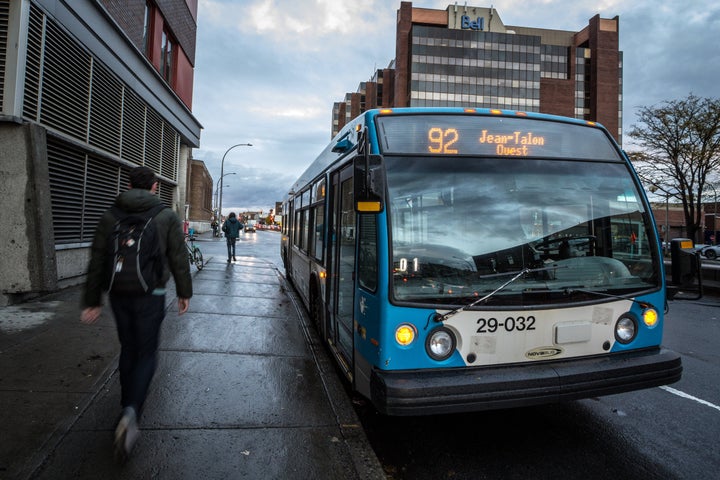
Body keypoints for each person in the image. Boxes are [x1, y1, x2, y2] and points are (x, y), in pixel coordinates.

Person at [79, 166, 192, 463]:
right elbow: (178, 257)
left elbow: (97, 259)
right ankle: (131, 411)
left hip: (118, 294)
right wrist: (184, 292)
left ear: (129, 185)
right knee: (146, 353)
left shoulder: (110, 215)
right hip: (151, 294)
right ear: (155, 187)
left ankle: (125, 402)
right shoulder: (166, 216)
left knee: (128, 349)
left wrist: (92, 300)